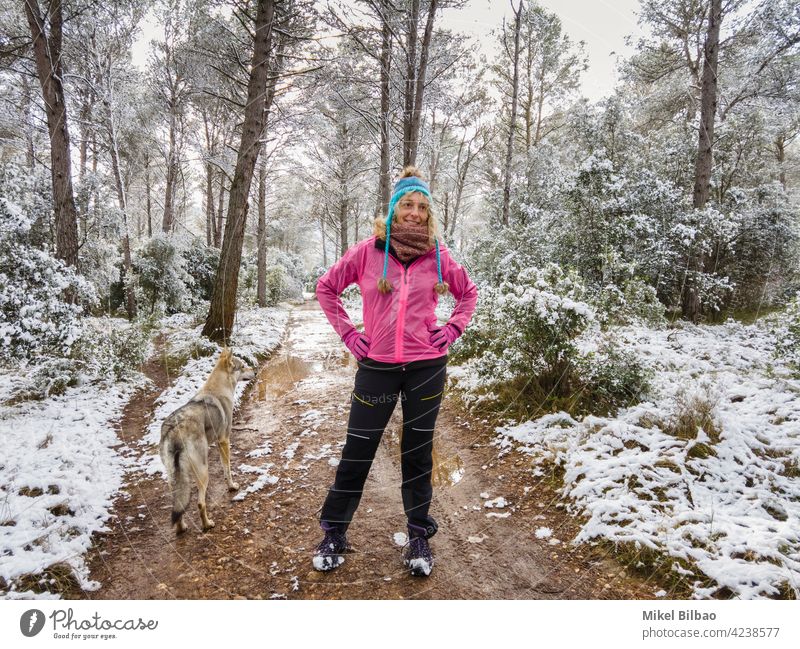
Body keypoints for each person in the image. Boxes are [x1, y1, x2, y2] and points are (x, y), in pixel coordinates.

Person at [312, 167, 478, 577]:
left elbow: (468, 293)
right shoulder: (368, 252)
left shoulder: (439, 257)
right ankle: (334, 531)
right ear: (392, 210)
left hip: (426, 368)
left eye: (422, 206)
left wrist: (453, 329)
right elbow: (326, 287)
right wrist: (351, 335)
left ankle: (418, 535)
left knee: (417, 453)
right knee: (358, 450)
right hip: (378, 369)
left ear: (429, 213)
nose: (415, 213)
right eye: (407, 205)